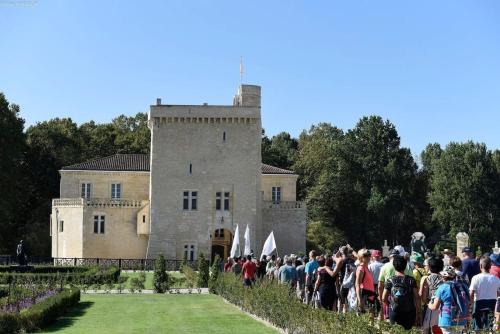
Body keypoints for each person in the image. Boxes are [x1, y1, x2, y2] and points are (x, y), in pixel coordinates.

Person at [427, 266, 469, 334]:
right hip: (460, 320)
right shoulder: (462, 286)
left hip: (446, 320)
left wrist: (429, 305)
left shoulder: (442, 288)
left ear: (443, 276)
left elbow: (435, 307)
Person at [383, 255, 420, 330]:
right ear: (406, 265)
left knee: (395, 331)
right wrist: (418, 312)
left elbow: (384, 298)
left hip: (394, 311)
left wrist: (390, 305)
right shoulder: (411, 280)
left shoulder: (390, 280)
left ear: (394, 266)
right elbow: (417, 297)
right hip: (409, 311)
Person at [378, 249, 413, 319]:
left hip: (389, 296)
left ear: (390, 257)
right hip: (405, 297)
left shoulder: (384, 267)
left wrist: (381, 298)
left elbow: (380, 286)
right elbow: (411, 281)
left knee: (389, 320)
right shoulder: (406, 265)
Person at [469, 256, 500, 330]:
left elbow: (471, 293)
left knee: (477, 328)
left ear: (480, 266)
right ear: (490, 266)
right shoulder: (496, 279)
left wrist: (470, 306)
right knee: (489, 327)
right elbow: (498, 294)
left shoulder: (475, 278)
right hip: (492, 304)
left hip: (479, 303)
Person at [420, 257, 444, 334]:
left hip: (431, 306)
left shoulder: (427, 278)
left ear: (430, 267)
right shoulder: (444, 278)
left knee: (426, 329)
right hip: (443, 307)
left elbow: (423, 296)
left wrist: (427, 303)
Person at [355, 248, 375, 313]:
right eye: (365, 255)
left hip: (369, 296)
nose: (368, 257)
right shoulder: (361, 268)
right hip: (364, 297)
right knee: (365, 320)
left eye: (369, 255)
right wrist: (360, 300)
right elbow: (357, 285)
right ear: (361, 257)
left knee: (370, 320)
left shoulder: (366, 267)